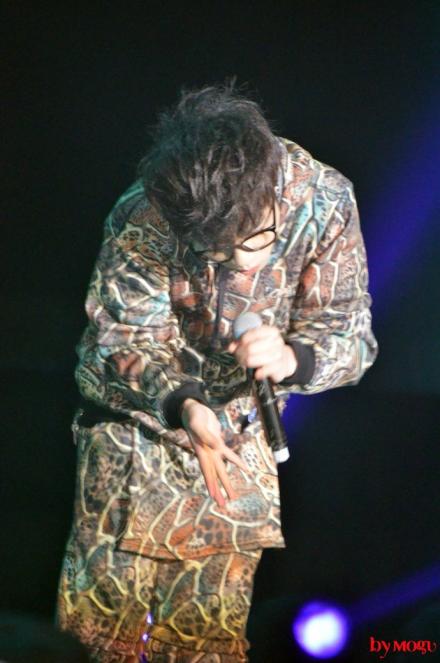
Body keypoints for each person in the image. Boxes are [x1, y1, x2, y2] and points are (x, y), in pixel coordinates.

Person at [56, 83, 378, 663]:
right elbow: (122, 338)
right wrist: (182, 402)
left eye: (256, 238)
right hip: (134, 437)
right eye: (219, 254)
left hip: (238, 445)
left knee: (206, 646)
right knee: (98, 641)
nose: (245, 263)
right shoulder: (144, 214)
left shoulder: (326, 199)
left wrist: (292, 359)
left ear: (271, 189)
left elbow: (351, 337)